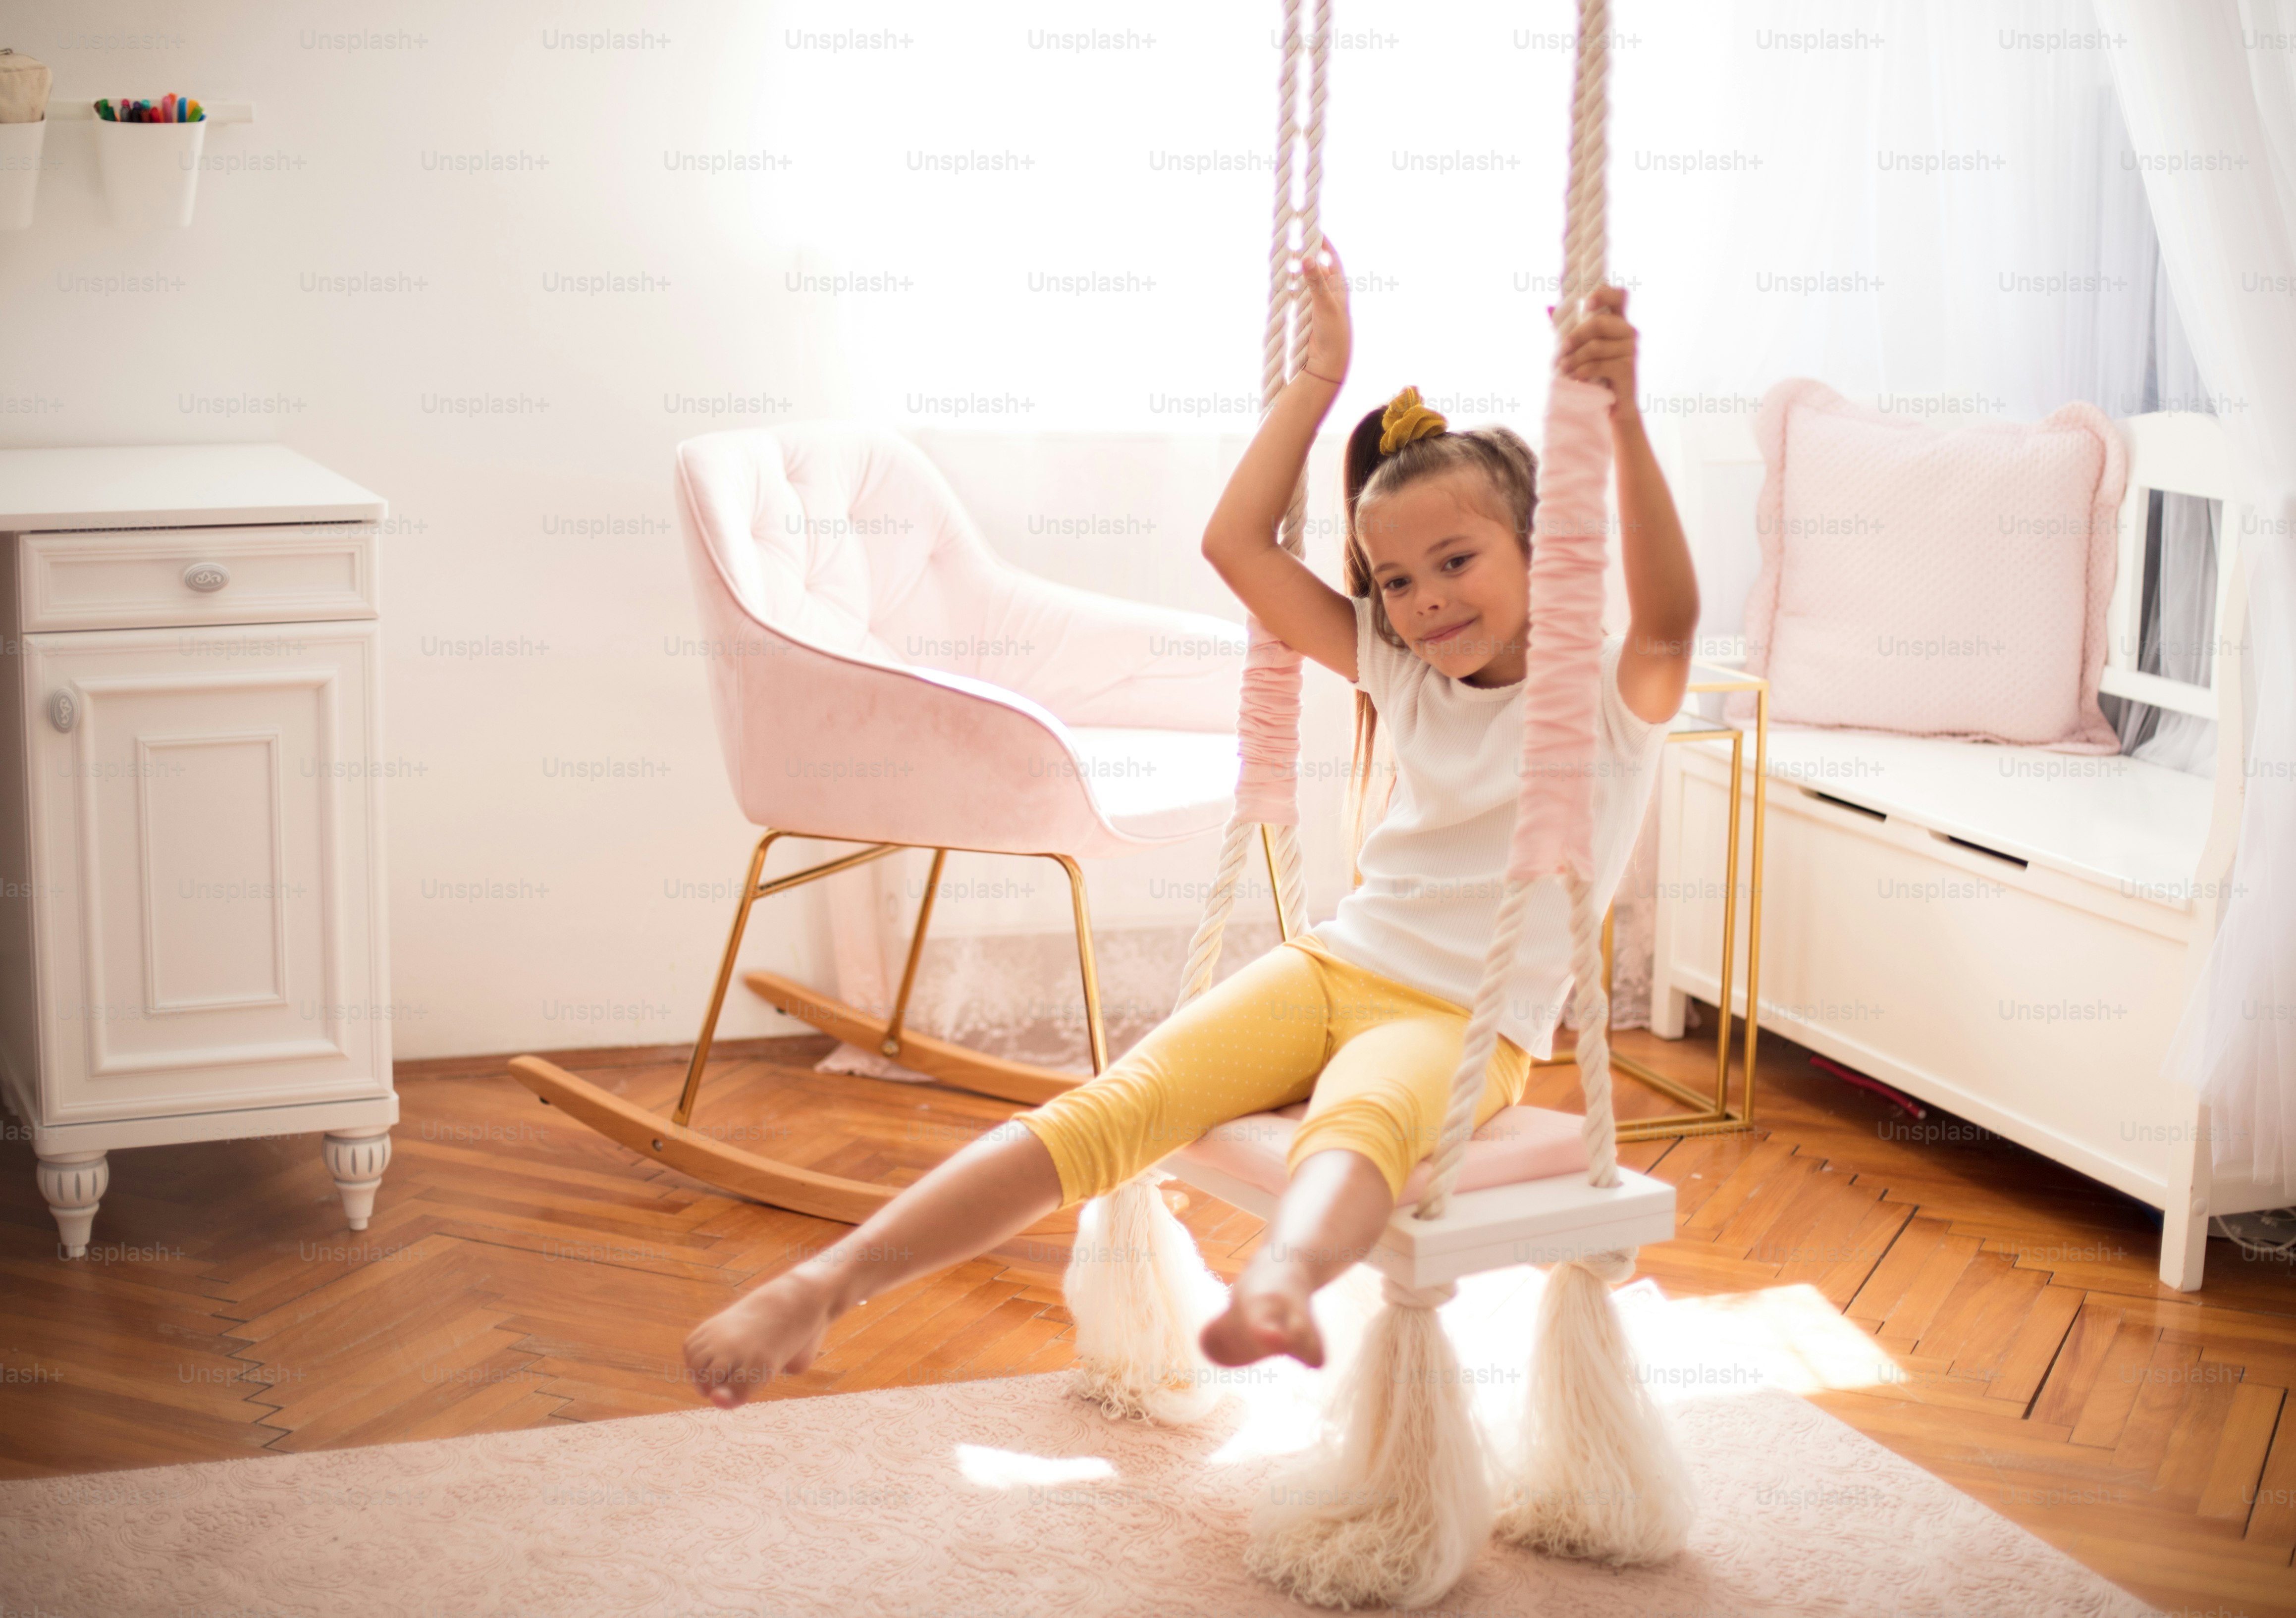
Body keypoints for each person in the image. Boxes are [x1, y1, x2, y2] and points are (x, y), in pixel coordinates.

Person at [682, 239, 1698, 1408]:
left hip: (1464, 1020)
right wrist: (1317, 382)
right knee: (1115, 1106)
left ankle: (1280, 1280)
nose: (1423, 602)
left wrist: (1617, 419)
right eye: (1395, 579)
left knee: (1361, 1126)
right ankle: (827, 1280)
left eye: (1455, 560)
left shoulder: (1606, 705)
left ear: (1542, 550)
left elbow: (1669, 617)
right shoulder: (1401, 671)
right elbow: (1232, 547)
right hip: (1333, 963)